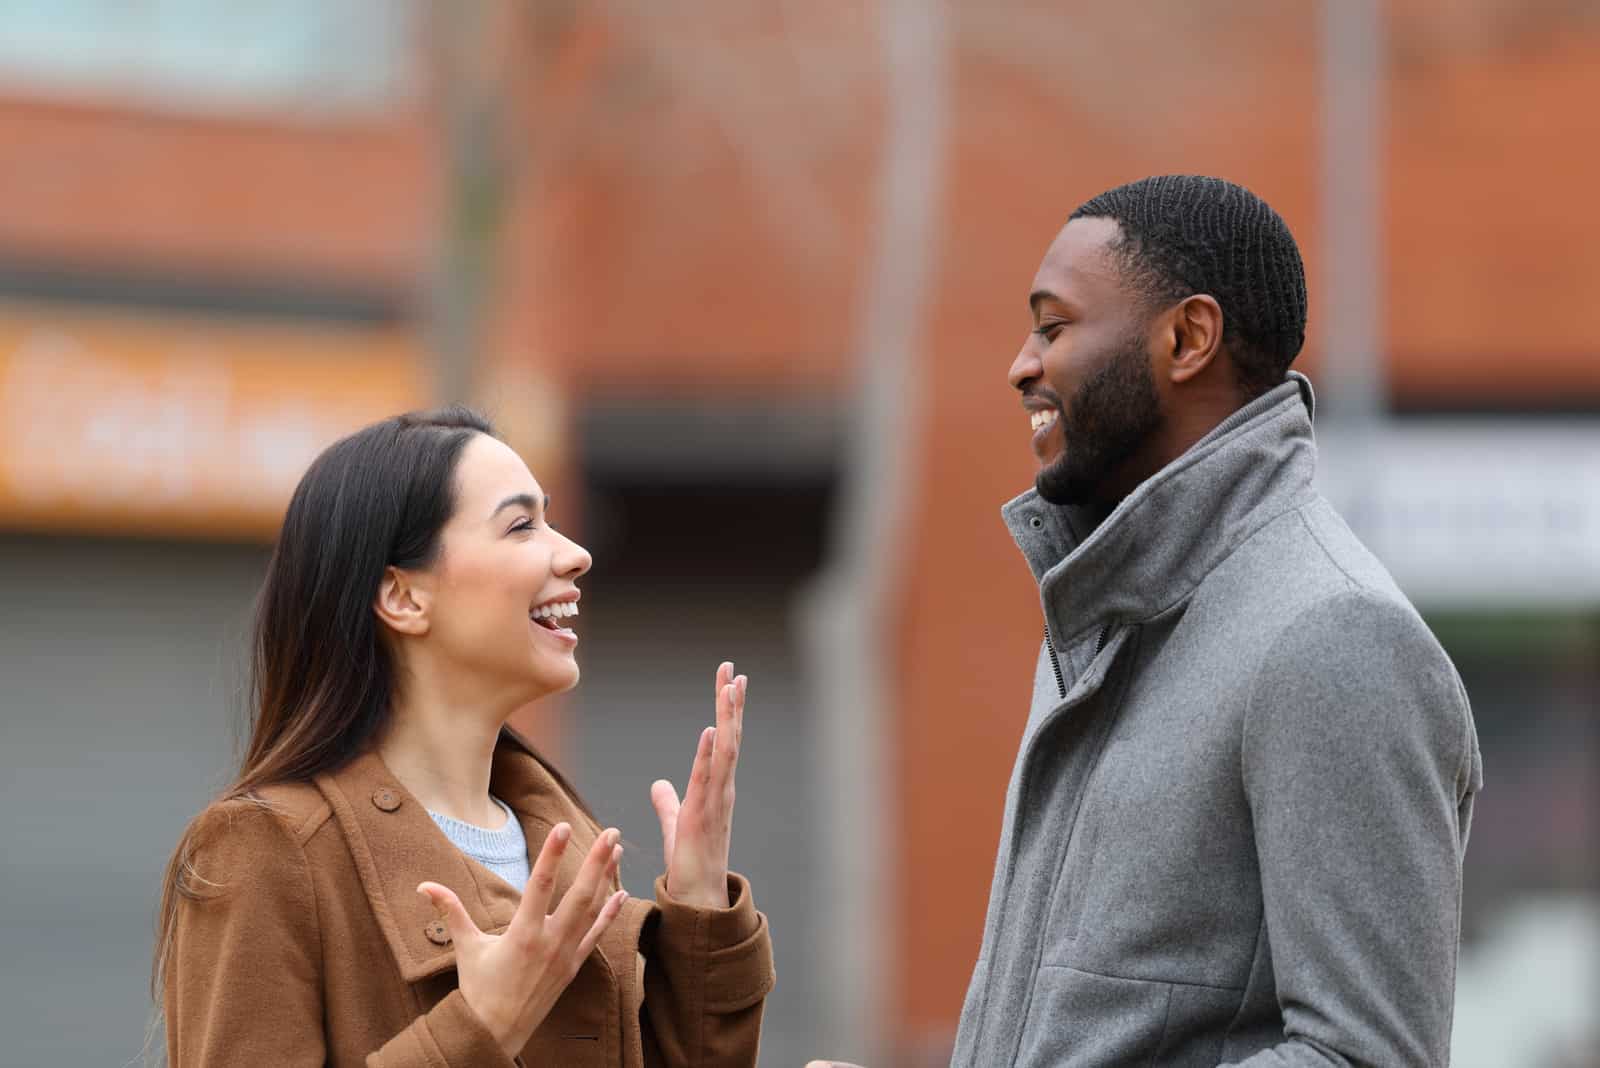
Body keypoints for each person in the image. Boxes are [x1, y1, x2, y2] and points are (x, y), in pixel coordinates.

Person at [811, 175, 1482, 1068]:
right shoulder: (1108, 617)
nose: (1022, 365)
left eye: (1053, 327)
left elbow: (1366, 1058)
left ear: (1187, 338)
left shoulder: (1334, 636)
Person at [153, 407, 774, 1067]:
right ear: (402, 597)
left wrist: (702, 918)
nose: (575, 553)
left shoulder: (572, 853)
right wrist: (480, 1027)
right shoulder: (267, 851)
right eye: (521, 524)